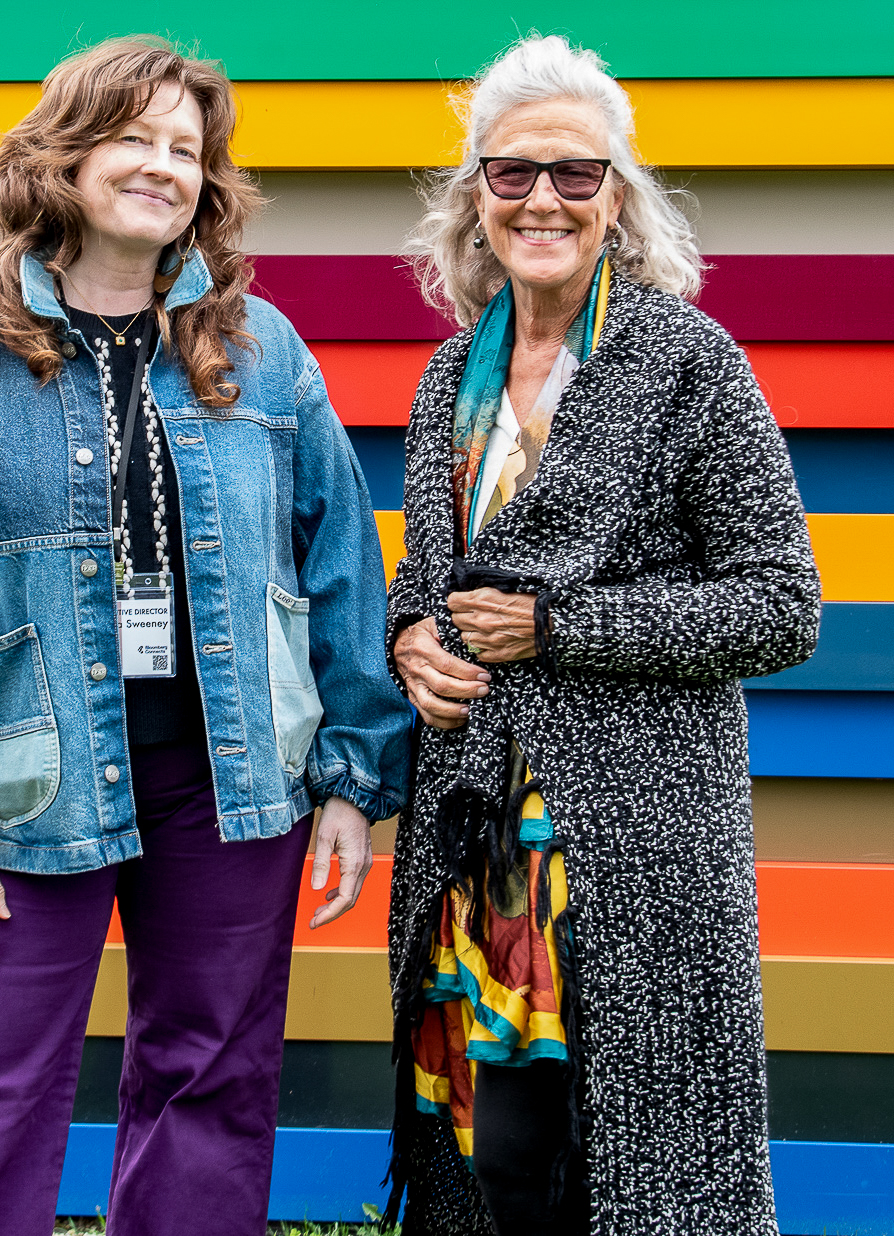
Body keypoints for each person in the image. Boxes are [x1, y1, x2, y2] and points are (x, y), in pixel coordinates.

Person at [0, 37, 410, 1236]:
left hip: (231, 785)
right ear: (65, 155)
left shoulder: (264, 354)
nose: (161, 167)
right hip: (17, 793)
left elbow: (341, 562)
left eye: (185, 150)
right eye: (132, 138)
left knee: (211, 1085)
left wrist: (351, 773)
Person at [383, 34, 819, 1236]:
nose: (541, 199)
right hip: (474, 843)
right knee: (493, 1154)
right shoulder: (443, 380)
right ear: (475, 196)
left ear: (615, 198)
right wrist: (409, 636)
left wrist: (559, 627)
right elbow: (424, 580)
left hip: (635, 856)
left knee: (623, 1163)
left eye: (574, 174)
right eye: (511, 172)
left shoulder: (690, 366)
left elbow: (780, 605)